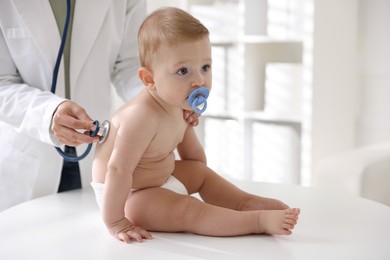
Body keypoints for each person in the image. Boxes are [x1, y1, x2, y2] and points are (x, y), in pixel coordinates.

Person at [91, 7, 300, 244]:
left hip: (160, 177)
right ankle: (256, 221)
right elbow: (118, 171)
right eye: (183, 71)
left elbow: (196, 164)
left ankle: (244, 203)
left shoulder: (176, 103)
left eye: (205, 67)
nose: (199, 80)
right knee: (188, 210)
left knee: (201, 174)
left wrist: (188, 129)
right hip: (126, 195)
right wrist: (116, 221)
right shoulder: (139, 117)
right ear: (149, 79)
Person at [0, 0, 199, 211]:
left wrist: (169, 98)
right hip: (28, 156)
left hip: (96, 162)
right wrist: (46, 114)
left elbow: (134, 65)